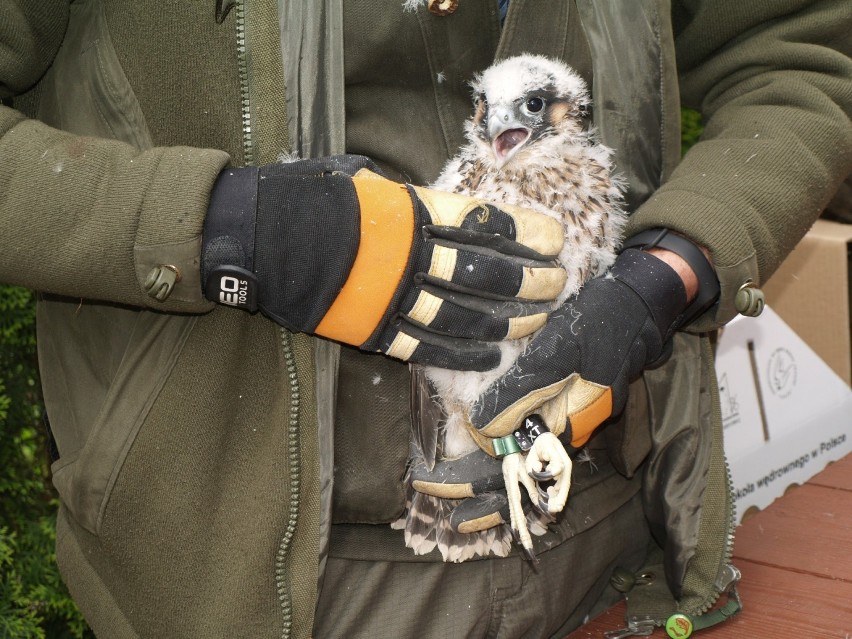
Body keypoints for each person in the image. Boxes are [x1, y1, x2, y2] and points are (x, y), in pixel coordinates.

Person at [1, 1, 849, 638]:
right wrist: (228, 228)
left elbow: (794, 47)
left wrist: (672, 270)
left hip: (624, 537)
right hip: (290, 581)